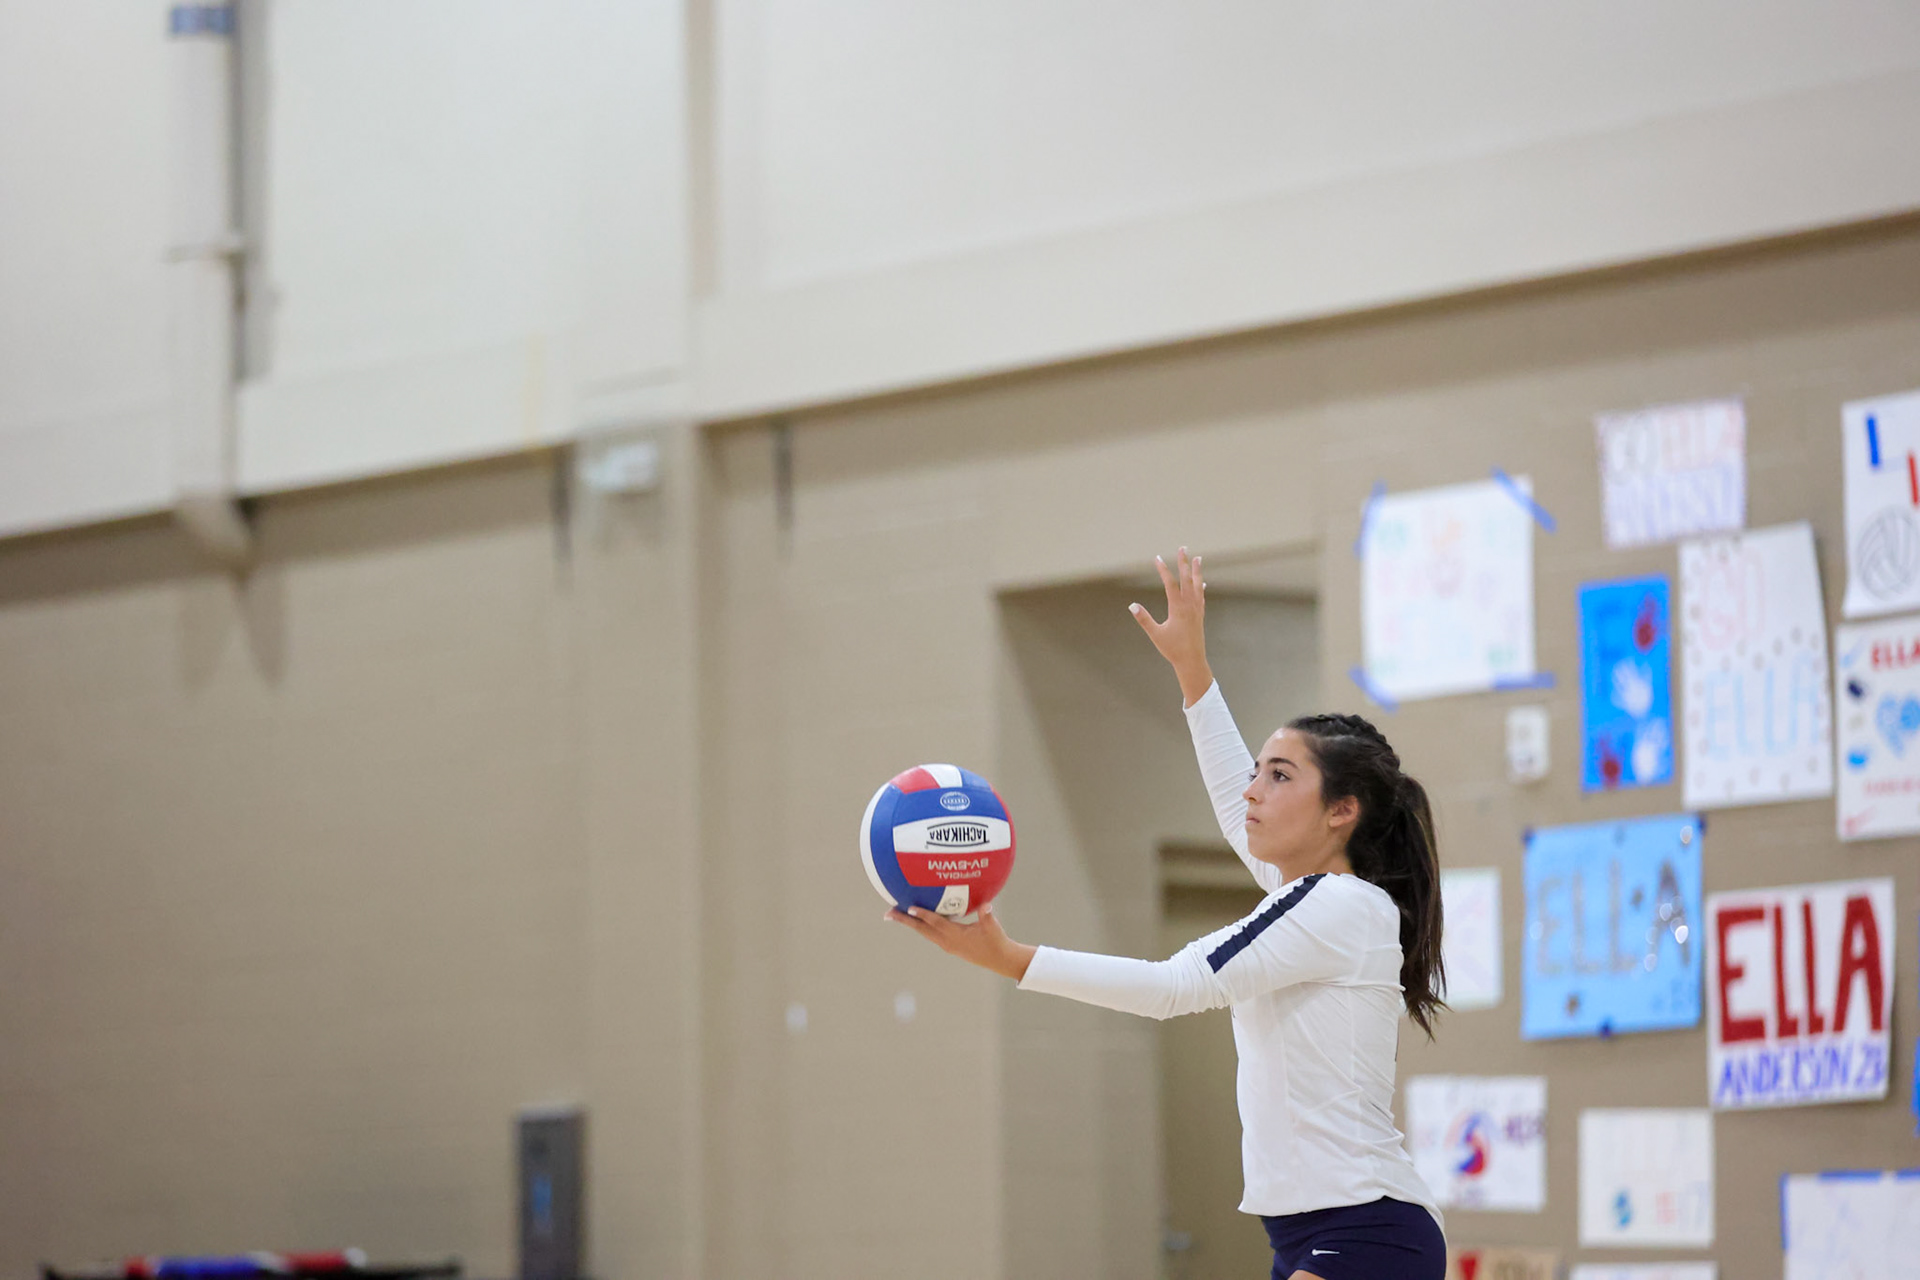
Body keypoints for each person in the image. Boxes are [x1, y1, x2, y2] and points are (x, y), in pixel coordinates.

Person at [887, 548, 1447, 1280]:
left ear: (1343, 810)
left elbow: (1173, 986)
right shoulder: (1318, 897)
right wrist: (1193, 672)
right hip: (1311, 1235)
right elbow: (1229, 802)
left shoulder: (1335, 906)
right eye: (1258, 771)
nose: (1253, 790)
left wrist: (1010, 958)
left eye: (1279, 776)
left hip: (1371, 1229)